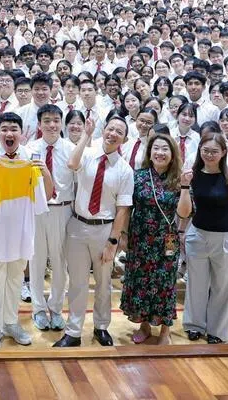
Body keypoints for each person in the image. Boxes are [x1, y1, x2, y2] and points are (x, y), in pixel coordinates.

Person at [0, 112, 53, 347]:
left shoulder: (30, 157)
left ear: (21, 133)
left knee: (16, 276)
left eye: (13, 129)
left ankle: (10, 322)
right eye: (4, 129)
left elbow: (45, 196)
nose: (9, 133)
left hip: (21, 224)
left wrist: (45, 172)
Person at [56, 116, 133, 347]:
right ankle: (73, 331)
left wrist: (113, 241)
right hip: (78, 226)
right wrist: (86, 135)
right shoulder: (88, 153)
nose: (113, 134)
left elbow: (123, 210)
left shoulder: (124, 170)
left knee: (103, 283)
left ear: (124, 139)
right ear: (104, 130)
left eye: (119, 131)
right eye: (110, 129)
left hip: (104, 230)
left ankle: (101, 326)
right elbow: (71, 163)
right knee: (77, 282)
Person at [180, 133, 228, 343]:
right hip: (198, 234)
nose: (209, 155)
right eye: (205, 151)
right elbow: (184, 210)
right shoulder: (192, 174)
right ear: (200, 151)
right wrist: (182, 232)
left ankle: (217, 331)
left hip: (225, 237)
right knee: (196, 284)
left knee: (222, 287)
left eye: (214, 151)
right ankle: (194, 325)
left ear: (223, 153)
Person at [121, 132, 182, 345]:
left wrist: (184, 187)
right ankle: (144, 325)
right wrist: (123, 234)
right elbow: (128, 208)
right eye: (156, 148)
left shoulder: (179, 179)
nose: (160, 152)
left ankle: (166, 330)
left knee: (166, 283)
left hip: (168, 239)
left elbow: (184, 213)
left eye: (165, 149)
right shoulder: (138, 176)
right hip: (140, 237)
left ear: (173, 154)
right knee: (141, 282)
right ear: (149, 152)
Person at [25, 104, 74, 331]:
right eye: (47, 121)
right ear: (39, 124)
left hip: (62, 210)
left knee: (59, 262)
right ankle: (37, 309)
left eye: (56, 120)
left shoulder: (71, 149)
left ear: (61, 123)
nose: (52, 125)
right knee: (36, 262)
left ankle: (55, 308)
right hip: (36, 210)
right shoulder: (29, 149)